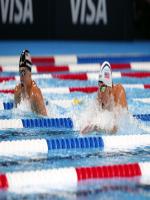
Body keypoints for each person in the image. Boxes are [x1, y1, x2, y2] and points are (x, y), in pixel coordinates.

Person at [81, 61, 128, 134]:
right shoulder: (99, 95)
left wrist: (97, 127)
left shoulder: (119, 92)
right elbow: (90, 118)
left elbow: (117, 128)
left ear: (110, 89)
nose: (100, 98)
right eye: (99, 89)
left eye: (103, 91)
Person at [14, 49, 47, 116]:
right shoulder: (17, 90)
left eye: (23, 72)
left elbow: (45, 120)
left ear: (30, 73)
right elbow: (15, 114)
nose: (21, 76)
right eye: (20, 72)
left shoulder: (35, 94)